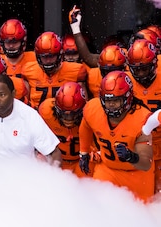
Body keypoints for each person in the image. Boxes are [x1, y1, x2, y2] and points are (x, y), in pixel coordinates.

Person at [78, 70, 154, 202]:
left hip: (136, 174)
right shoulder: (93, 109)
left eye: (116, 100)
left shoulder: (142, 119)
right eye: (108, 101)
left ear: (128, 98)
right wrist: (83, 152)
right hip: (108, 169)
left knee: (141, 216)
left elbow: (146, 163)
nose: (111, 105)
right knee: (97, 208)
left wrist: (132, 157)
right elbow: (85, 126)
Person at [38, 82, 99, 177]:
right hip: (55, 158)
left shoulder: (91, 114)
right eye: (64, 114)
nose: (68, 119)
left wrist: (95, 154)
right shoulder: (46, 111)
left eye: (73, 114)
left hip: (81, 160)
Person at [127, 38, 161, 194]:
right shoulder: (124, 81)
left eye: (144, 69)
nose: (140, 74)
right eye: (136, 69)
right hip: (139, 145)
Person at [21, 31, 88, 109]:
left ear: (60, 54)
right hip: (36, 117)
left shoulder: (76, 71)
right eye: (44, 57)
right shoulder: (29, 70)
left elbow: (83, 104)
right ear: (38, 57)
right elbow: (24, 105)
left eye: (51, 56)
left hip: (65, 117)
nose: (48, 61)